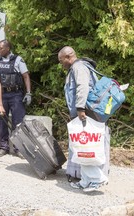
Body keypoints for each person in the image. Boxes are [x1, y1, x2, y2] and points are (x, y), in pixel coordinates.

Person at [58, 46, 108, 192]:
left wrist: (80, 108)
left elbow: (82, 87)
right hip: (84, 112)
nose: (62, 64)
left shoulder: (78, 67)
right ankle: (85, 180)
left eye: (62, 61)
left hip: (85, 112)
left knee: (86, 146)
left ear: (68, 56)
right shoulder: (78, 67)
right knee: (81, 147)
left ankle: (98, 179)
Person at [0, 39, 31, 159]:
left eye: (1, 48)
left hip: (16, 95)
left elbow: (26, 76)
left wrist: (29, 93)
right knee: (1, 121)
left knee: (18, 122)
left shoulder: (18, 60)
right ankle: (3, 147)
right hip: (2, 95)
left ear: (8, 48)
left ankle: (18, 148)